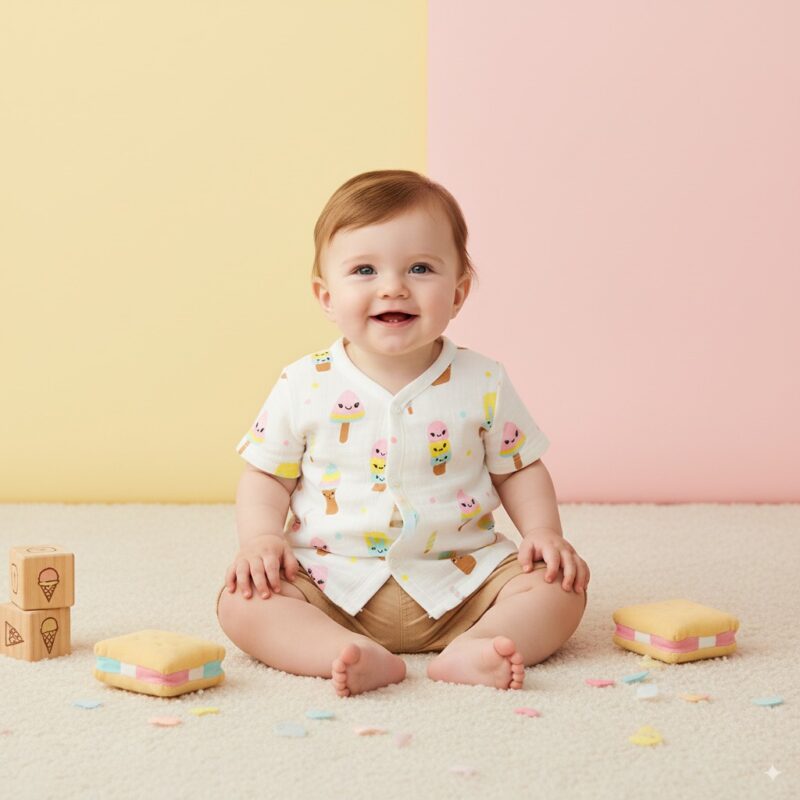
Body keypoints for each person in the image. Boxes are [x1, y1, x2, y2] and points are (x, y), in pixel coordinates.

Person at [216, 169, 590, 697]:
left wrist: (543, 533)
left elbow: (518, 468)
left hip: (463, 579)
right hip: (329, 580)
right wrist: (260, 540)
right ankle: (339, 651)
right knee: (242, 602)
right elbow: (266, 475)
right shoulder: (303, 382)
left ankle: (478, 646)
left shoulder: (483, 380)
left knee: (561, 588)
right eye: (364, 270)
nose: (393, 286)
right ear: (326, 296)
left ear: (458, 293)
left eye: (420, 268)